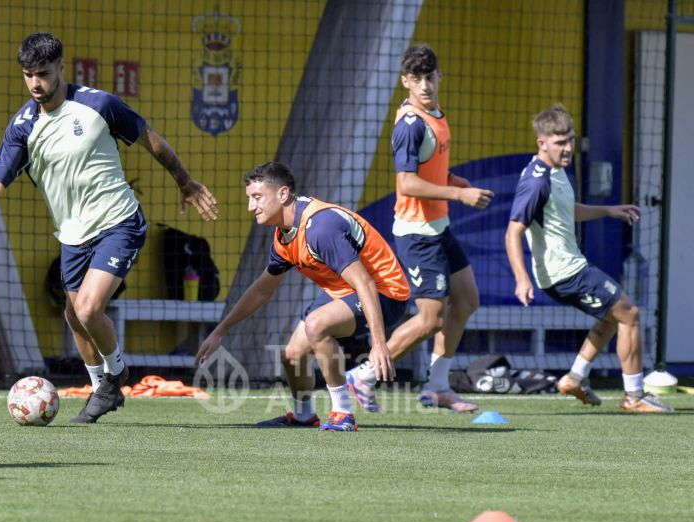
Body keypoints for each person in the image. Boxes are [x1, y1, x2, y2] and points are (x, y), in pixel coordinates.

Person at [0, 33, 218, 423]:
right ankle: (102, 389)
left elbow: (151, 140)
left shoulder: (99, 104)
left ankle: (118, 371)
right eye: (28, 75)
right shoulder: (23, 127)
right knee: (74, 316)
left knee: (90, 309)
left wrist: (185, 181)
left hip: (119, 221)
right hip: (72, 236)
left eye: (42, 73)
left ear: (61, 67)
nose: (35, 84)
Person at [195, 162, 411, 431]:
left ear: (283, 194)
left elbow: (365, 283)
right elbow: (263, 288)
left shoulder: (320, 228)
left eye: (257, 197)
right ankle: (303, 415)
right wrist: (221, 330)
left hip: (386, 293)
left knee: (316, 325)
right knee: (292, 355)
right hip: (345, 290)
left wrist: (379, 344)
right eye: (250, 198)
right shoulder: (283, 236)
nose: (251, 206)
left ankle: (343, 413)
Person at [345, 43, 493, 413]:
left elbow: (433, 168)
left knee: (467, 299)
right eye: (416, 79)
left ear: (439, 77)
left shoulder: (437, 114)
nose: (424, 85)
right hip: (417, 234)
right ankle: (361, 376)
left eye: (429, 77)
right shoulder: (410, 125)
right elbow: (407, 183)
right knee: (430, 319)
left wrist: (455, 182)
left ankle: (437, 387)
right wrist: (459, 196)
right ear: (404, 82)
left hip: (438, 228)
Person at [504, 103, 672, 413]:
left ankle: (574, 377)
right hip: (565, 272)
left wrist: (609, 210)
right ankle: (634, 396)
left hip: (569, 268)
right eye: (560, 142)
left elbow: (567, 210)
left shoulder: (557, 170)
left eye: (570, 139)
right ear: (542, 143)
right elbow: (513, 232)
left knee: (613, 317)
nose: (567, 148)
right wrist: (521, 278)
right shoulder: (536, 181)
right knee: (630, 314)